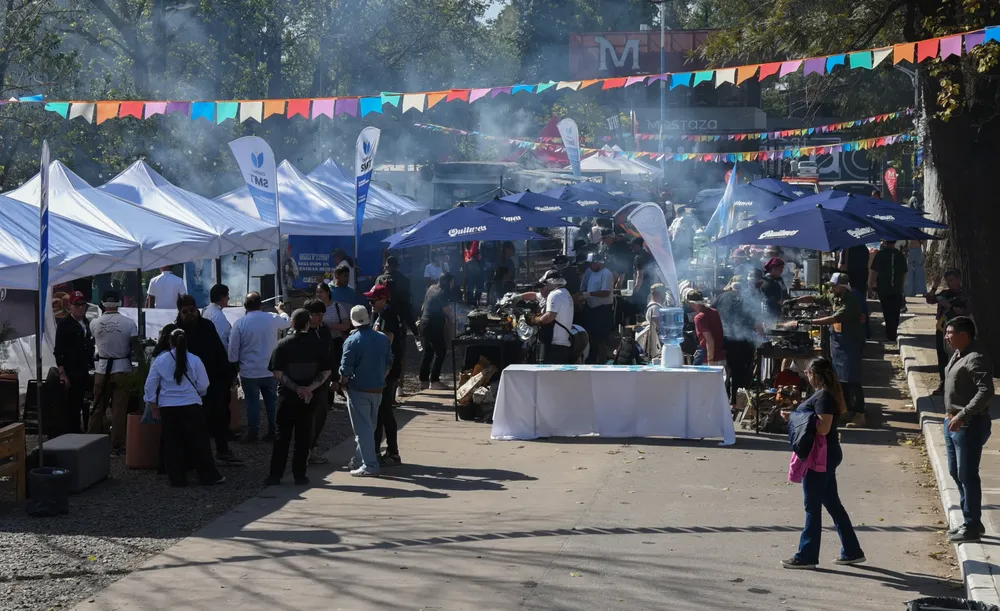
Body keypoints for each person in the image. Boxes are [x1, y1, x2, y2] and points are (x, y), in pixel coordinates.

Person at [780, 357, 865, 569]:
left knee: (812, 506)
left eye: (807, 373)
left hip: (820, 455)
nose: (806, 377)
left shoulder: (824, 396)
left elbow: (823, 427)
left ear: (814, 374)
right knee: (832, 504)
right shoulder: (826, 394)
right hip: (826, 454)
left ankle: (807, 555)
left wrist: (794, 418)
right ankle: (852, 551)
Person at [162, 294, 242, 465]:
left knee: (220, 415)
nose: (189, 314)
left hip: (213, 379)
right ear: (180, 313)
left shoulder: (207, 326)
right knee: (194, 421)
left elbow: (219, 351)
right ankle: (196, 457)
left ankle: (222, 450)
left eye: (192, 310)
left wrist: (229, 374)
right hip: (187, 384)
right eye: (185, 312)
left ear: (197, 310)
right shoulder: (175, 331)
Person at [144, 328, 225, 487]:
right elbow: (203, 384)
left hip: (168, 406)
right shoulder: (194, 360)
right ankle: (207, 476)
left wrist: (153, 403)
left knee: (173, 443)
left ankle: (177, 479)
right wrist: (198, 393)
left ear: (169, 342)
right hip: (191, 405)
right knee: (199, 442)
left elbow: (150, 385)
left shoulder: (161, 360)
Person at [788, 273, 867, 427]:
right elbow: (816, 298)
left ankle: (860, 414)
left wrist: (809, 321)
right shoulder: (835, 296)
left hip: (850, 343)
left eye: (833, 285)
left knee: (852, 379)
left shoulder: (852, 301)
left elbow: (834, 319)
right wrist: (796, 300)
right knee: (841, 379)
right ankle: (847, 410)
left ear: (842, 286)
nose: (831, 288)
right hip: (838, 343)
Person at [942, 317, 995, 542]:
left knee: (967, 475)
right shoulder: (959, 354)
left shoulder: (975, 358)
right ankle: (969, 520)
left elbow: (986, 391)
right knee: (956, 473)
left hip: (969, 425)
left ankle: (972, 526)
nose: (946, 336)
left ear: (964, 334)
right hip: (952, 422)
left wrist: (964, 415)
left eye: (950, 332)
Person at [266, 309, 332, 486]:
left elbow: (277, 372)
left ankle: (275, 475)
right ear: (308, 324)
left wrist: (296, 388)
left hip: (287, 396)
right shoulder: (319, 344)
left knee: (282, 437)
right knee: (303, 437)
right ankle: (300, 475)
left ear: (292, 323)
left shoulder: (282, 344)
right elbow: (326, 371)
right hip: (310, 398)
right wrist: (308, 388)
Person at [339, 305, 394, 477]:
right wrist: (380, 378)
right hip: (377, 389)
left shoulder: (351, 341)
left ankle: (370, 465)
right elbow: (389, 363)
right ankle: (358, 460)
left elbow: (345, 369)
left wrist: (342, 382)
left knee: (363, 429)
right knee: (369, 426)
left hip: (359, 389)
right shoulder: (382, 338)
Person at [228, 292, 289, 442]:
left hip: (249, 372)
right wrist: (280, 310)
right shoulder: (271, 318)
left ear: (245, 307)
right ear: (261, 305)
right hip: (270, 370)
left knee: (252, 403)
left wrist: (235, 365)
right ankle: (273, 431)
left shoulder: (240, 323)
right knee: (271, 402)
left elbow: (232, 352)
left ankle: (253, 433)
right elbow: (288, 321)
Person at [88, 290, 138, 454]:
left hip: (102, 368)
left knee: (98, 406)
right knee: (119, 409)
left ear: (103, 303)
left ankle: (91, 440)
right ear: (119, 303)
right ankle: (117, 444)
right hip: (122, 368)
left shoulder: (94, 323)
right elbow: (134, 347)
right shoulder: (129, 323)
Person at [375, 256, 420, 400]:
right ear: (398, 266)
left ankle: (383, 388)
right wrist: (414, 328)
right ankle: (397, 387)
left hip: (382, 322)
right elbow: (407, 305)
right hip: (399, 321)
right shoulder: (405, 281)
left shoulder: (379, 279)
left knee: (382, 355)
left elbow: (374, 304)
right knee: (399, 356)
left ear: (386, 265)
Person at [369, 284, 403, 466]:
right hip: (384, 369)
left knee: (383, 411)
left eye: (373, 300)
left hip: (387, 370)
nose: (371, 303)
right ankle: (379, 449)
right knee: (382, 411)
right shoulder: (382, 313)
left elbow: (387, 339)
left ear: (383, 299)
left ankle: (392, 451)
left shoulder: (388, 314)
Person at [513, 270, 576, 364]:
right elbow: (535, 295)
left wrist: (534, 320)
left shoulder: (554, 294)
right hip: (563, 343)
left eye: (545, 284)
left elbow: (549, 317)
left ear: (550, 282)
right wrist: (519, 297)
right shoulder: (565, 292)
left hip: (553, 344)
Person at [300, 299, 335, 465]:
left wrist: (334, 378)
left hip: (322, 383)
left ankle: (310, 450)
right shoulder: (298, 334)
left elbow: (331, 355)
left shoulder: (325, 331)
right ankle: (301, 452)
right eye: (317, 315)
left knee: (320, 416)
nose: (320, 318)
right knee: (304, 419)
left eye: (322, 314)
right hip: (303, 383)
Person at [54, 291, 94, 435]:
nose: (80, 307)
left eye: (82, 304)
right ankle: (73, 433)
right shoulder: (64, 325)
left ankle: (85, 430)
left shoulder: (87, 323)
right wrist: (62, 373)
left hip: (87, 368)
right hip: (72, 370)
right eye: (76, 304)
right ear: (70, 306)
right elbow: (58, 351)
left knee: (85, 402)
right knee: (73, 406)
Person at [714, 276, 758, 404]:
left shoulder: (721, 297)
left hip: (725, 339)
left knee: (727, 371)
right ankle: (737, 401)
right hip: (743, 341)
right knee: (740, 372)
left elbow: (710, 311)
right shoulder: (748, 300)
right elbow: (756, 323)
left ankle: (725, 399)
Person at [926, 270, 969, 394]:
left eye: (951, 280)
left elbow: (965, 311)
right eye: (947, 281)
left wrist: (949, 306)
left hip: (958, 330)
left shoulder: (964, 295)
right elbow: (930, 299)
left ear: (958, 279)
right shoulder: (945, 293)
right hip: (942, 329)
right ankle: (943, 383)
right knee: (942, 356)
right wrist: (935, 286)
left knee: (958, 357)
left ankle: (958, 385)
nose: (950, 284)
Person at [577, 252, 615, 364]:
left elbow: (605, 292)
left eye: (592, 263)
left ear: (598, 262)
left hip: (603, 310)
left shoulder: (606, 273)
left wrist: (588, 294)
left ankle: (602, 361)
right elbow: (585, 287)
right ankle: (591, 358)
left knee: (601, 339)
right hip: (591, 308)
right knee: (591, 336)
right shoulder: (590, 272)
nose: (590, 266)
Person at [419, 273, 455, 390]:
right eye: (452, 282)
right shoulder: (443, 293)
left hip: (424, 322)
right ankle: (434, 381)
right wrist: (454, 319)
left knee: (428, 352)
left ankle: (423, 380)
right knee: (441, 352)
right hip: (433, 324)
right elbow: (448, 312)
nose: (452, 285)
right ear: (448, 282)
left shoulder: (432, 288)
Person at [869, 240, 908, 342]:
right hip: (897, 288)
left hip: (884, 288)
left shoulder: (880, 255)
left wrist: (870, 288)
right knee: (895, 312)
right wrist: (902, 287)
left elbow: (874, 273)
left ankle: (889, 333)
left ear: (885, 242)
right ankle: (892, 333)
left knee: (887, 311)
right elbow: (905, 273)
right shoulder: (900, 255)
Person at [687, 291, 727, 367]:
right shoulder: (714, 312)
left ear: (692, 304)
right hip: (720, 356)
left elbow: (709, 340)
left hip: (707, 359)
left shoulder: (699, 317)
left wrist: (710, 361)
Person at [640, 283, 667, 357]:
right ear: (658, 294)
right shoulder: (655, 307)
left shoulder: (656, 306)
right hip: (658, 341)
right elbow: (659, 325)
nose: (665, 295)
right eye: (663, 293)